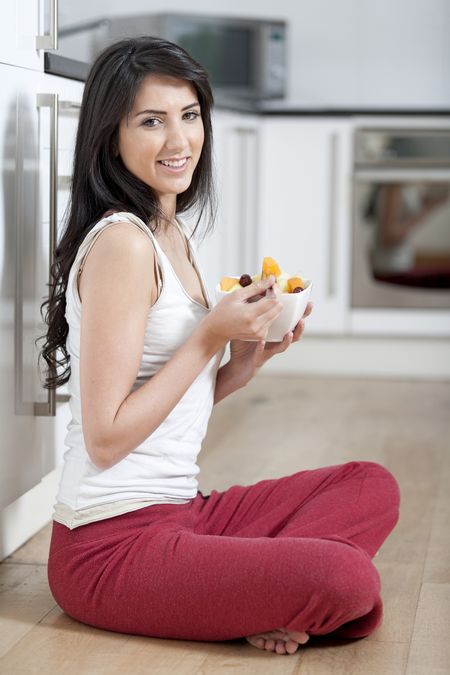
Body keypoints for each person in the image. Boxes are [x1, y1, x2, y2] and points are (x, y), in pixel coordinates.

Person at [39, 37, 400, 656]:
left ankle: (242, 585)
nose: (179, 141)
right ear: (110, 135)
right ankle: (259, 587)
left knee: (370, 483)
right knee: (347, 580)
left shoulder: (170, 228)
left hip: (182, 511)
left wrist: (237, 367)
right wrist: (209, 333)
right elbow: (105, 436)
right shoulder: (123, 244)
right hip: (108, 548)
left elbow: (165, 400)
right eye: (151, 121)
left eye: (190, 115)